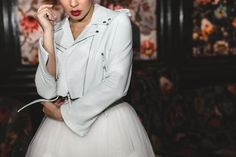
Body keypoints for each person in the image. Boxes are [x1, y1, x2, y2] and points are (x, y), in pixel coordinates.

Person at [25, 0, 155, 157]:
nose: (73, 4)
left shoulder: (116, 22)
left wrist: (64, 114)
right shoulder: (55, 30)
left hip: (108, 125)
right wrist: (47, 34)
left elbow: (117, 81)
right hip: (59, 130)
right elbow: (46, 91)